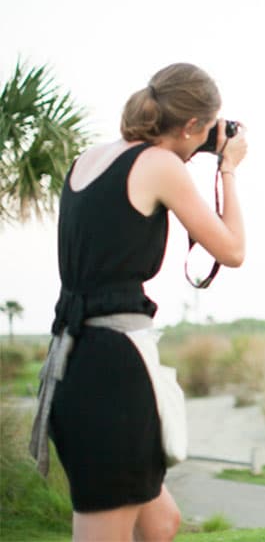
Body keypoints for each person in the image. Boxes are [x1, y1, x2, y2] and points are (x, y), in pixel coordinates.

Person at [32, 62, 247, 542]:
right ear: (193, 125)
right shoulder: (159, 164)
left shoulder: (90, 158)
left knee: (162, 521)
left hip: (75, 358)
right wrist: (228, 168)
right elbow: (231, 250)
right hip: (111, 369)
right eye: (208, 128)